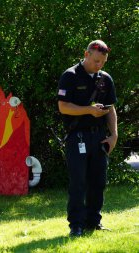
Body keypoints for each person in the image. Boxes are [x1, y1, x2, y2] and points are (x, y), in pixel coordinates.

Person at [57, 40, 118, 237]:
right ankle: (76, 225)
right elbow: (63, 106)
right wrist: (89, 111)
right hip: (77, 137)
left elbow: (110, 108)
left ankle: (94, 222)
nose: (99, 65)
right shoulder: (70, 76)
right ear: (86, 54)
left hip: (99, 137)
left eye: (103, 62)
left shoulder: (105, 79)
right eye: (96, 61)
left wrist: (114, 135)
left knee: (98, 181)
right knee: (78, 182)